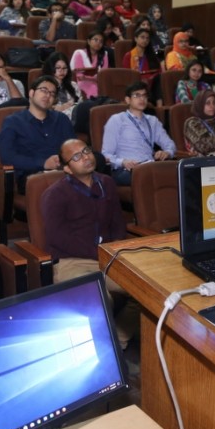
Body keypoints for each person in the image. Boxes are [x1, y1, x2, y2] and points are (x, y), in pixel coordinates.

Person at [40, 138, 138, 348]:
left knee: (147, 293)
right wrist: (98, 253)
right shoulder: (55, 194)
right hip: (72, 261)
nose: (85, 157)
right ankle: (99, 347)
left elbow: (118, 224)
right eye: (76, 157)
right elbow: (58, 237)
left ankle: (117, 341)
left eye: (86, 151)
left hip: (108, 258)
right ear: (67, 168)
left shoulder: (107, 183)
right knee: (100, 299)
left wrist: (115, 252)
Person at [0, 76, 75, 194]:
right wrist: (43, 163)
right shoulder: (13, 122)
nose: (48, 95)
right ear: (31, 93)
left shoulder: (62, 119)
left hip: (64, 171)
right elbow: (7, 157)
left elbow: (74, 148)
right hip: (32, 176)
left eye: (52, 93)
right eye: (43, 90)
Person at [101, 81, 176, 186]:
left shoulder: (152, 121)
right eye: (137, 95)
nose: (142, 99)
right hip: (125, 170)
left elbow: (170, 144)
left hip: (149, 167)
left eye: (145, 96)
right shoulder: (117, 120)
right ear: (128, 100)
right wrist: (123, 162)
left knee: (177, 174)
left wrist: (167, 152)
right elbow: (106, 154)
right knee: (148, 178)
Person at [123, 27, 164, 104]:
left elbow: (159, 72)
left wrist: (150, 79)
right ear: (135, 38)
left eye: (147, 38)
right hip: (135, 85)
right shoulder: (128, 56)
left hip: (151, 86)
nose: (145, 40)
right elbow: (126, 76)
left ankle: (160, 107)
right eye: (142, 37)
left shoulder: (152, 55)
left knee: (158, 79)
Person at [70, 30, 113, 99]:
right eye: (96, 40)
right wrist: (94, 78)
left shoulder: (104, 55)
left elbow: (104, 74)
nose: (98, 43)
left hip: (99, 81)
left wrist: (94, 78)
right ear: (89, 41)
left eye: (101, 41)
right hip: (83, 82)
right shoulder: (80, 54)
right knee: (94, 88)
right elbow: (80, 76)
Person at [41, 51, 81, 120]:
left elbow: (80, 104)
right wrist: (58, 108)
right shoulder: (43, 86)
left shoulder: (73, 85)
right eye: (58, 68)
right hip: (54, 118)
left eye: (64, 68)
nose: (61, 71)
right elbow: (38, 107)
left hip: (74, 116)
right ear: (51, 68)